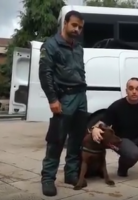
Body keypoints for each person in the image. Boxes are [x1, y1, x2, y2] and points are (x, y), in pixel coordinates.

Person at [39, 11, 87, 196]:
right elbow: (45, 73)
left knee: (76, 139)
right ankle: (48, 179)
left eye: (80, 27)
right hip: (64, 98)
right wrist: (52, 99)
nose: (77, 29)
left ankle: (71, 174)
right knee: (57, 139)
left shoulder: (79, 47)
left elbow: (79, 72)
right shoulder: (51, 45)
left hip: (81, 96)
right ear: (65, 23)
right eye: (74, 25)